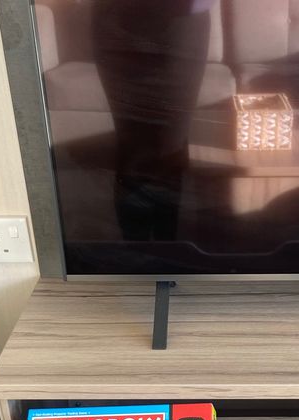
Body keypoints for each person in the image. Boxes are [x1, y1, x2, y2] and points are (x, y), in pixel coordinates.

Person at [91, 0, 215, 241]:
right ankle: (135, 253)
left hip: (182, 23)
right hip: (116, 22)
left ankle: (165, 249)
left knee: (172, 144)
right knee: (130, 146)